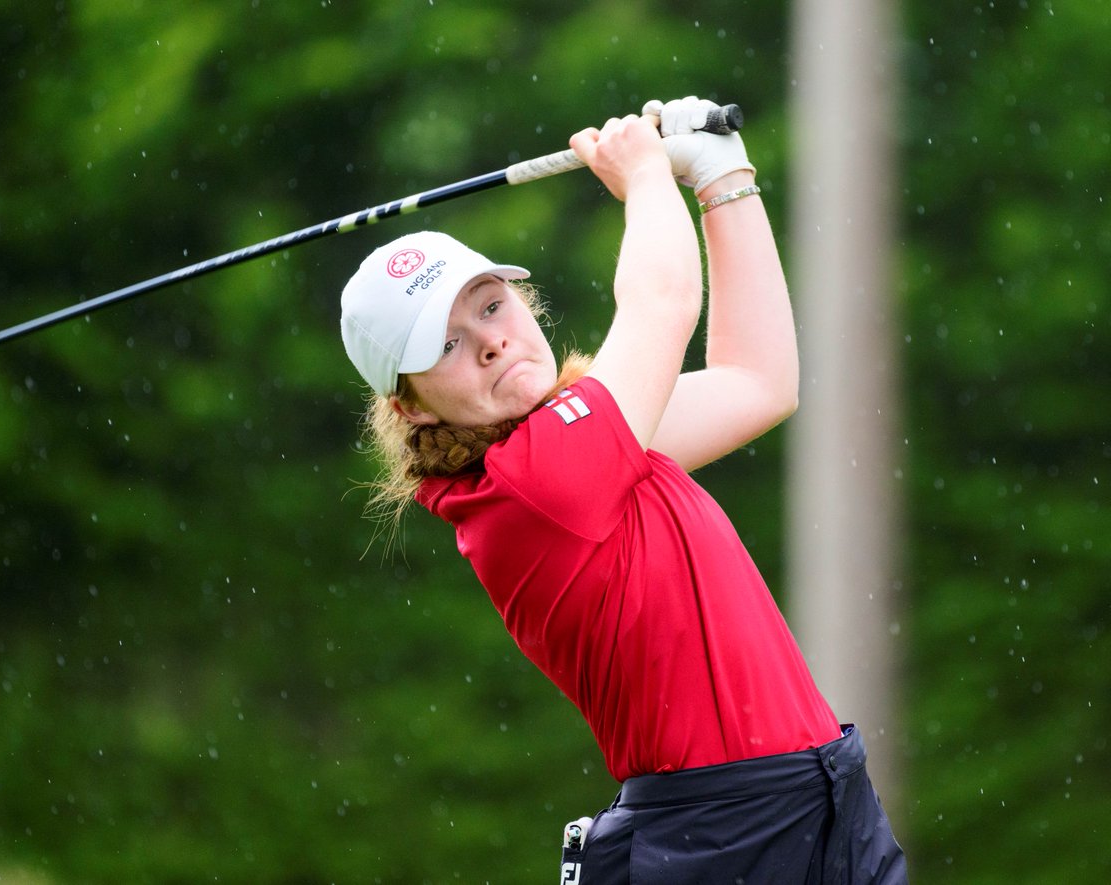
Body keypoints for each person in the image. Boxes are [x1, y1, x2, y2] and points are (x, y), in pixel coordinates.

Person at [340, 96, 907, 883]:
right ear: (410, 405)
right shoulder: (530, 483)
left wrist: (721, 178)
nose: (493, 340)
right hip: (722, 835)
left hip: (823, 799)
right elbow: (664, 304)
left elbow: (759, 381)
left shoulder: (593, 441)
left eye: (492, 306)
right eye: (447, 344)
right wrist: (645, 174)